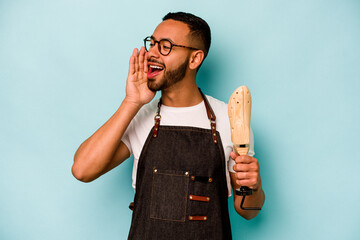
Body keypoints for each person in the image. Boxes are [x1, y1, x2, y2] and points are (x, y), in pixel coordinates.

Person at [72, 12, 265, 239]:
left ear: (195, 59)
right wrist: (131, 102)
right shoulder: (139, 116)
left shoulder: (229, 119)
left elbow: (248, 211)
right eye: (152, 43)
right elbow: (82, 170)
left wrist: (254, 185)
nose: (152, 53)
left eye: (166, 46)